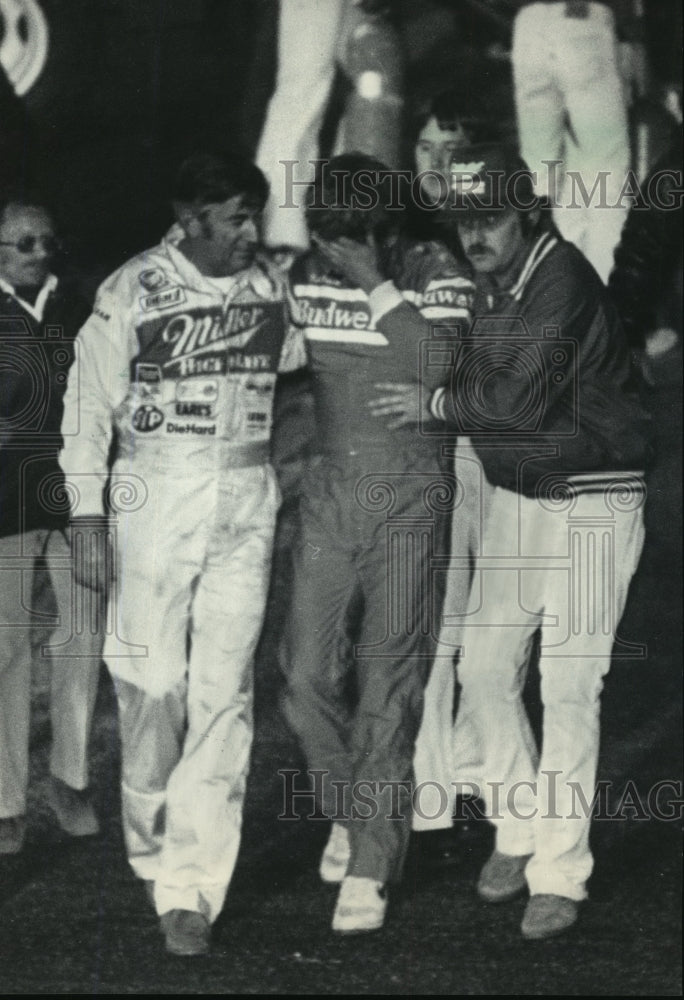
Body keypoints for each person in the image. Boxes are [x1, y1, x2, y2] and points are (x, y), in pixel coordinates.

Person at [369, 144, 651, 939]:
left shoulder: (560, 278)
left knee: (568, 686)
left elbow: (518, 399)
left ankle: (560, 873)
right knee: (486, 668)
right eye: (464, 221)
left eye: (491, 216)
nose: (476, 235)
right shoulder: (502, 281)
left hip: (598, 497)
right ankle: (522, 827)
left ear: (527, 211)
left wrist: (434, 402)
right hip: (526, 494)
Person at [58, 152, 305, 957]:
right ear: (190, 219)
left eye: (254, 217)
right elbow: (88, 407)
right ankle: (150, 830)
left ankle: (192, 886)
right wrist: (88, 517)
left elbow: (305, 364)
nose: (248, 232)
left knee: (225, 694)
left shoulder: (272, 286)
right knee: (151, 682)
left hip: (244, 500)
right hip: (152, 497)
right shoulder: (135, 288)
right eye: (232, 218)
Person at [284, 153, 473, 934]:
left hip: (412, 490)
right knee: (302, 676)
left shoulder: (436, 268)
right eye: (326, 234)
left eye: (351, 234)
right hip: (331, 489)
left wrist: (373, 282)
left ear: (386, 223)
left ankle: (369, 864)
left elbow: (442, 362)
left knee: (388, 686)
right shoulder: (306, 269)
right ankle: (353, 809)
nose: (336, 247)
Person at [0, 194, 103, 855]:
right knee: (5, 648)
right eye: (22, 243)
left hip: (75, 495)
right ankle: (5, 801)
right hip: (4, 502)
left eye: (46, 241)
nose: (39, 253)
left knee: (84, 635)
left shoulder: (83, 303)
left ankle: (71, 776)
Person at [510, 0, 644, 283]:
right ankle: (607, 297)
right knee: (605, 179)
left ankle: (549, 292)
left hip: (528, 26)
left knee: (539, 177)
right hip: (581, 20)